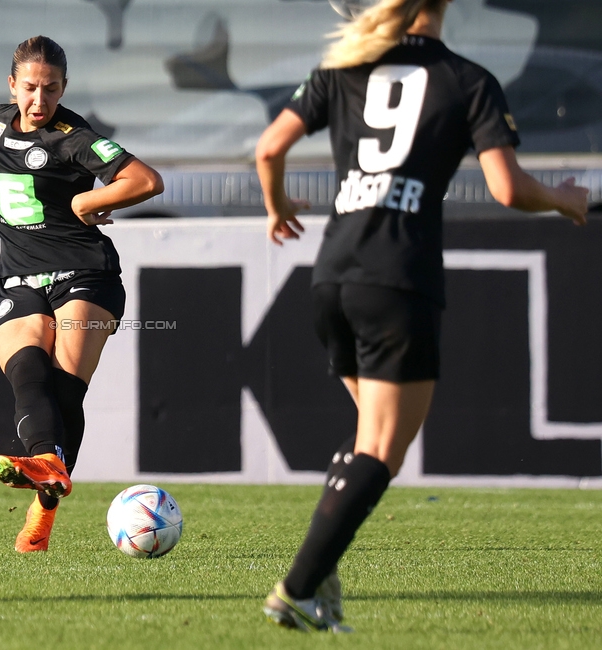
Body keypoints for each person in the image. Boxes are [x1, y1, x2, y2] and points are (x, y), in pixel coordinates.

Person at [254, 0, 588, 633]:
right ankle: (296, 590)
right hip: (397, 279)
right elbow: (509, 189)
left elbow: (270, 148)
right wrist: (566, 199)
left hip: (332, 276)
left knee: (365, 438)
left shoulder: (344, 65)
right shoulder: (467, 79)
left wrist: (275, 208)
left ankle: (319, 578)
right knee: (384, 450)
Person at [0, 36, 163, 553]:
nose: (39, 100)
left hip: (85, 274)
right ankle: (46, 469)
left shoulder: (76, 139)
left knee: (65, 392)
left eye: (50, 89)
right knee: (27, 373)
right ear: (12, 86)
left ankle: (40, 510)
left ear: (64, 88)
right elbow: (3, 144)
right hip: (19, 276)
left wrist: (90, 199)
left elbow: (147, 180)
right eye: (30, 88)